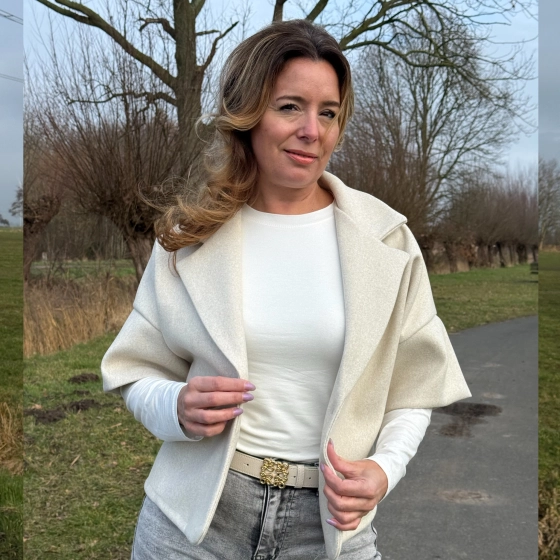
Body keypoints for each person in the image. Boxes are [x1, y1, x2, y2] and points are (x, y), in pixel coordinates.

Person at [101, 18, 471, 560]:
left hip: (330, 528)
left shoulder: (386, 239)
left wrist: (383, 468)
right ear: (247, 114)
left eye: (329, 113)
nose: (312, 131)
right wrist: (176, 406)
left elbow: (414, 386)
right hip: (193, 524)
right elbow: (135, 372)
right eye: (290, 106)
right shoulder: (189, 235)